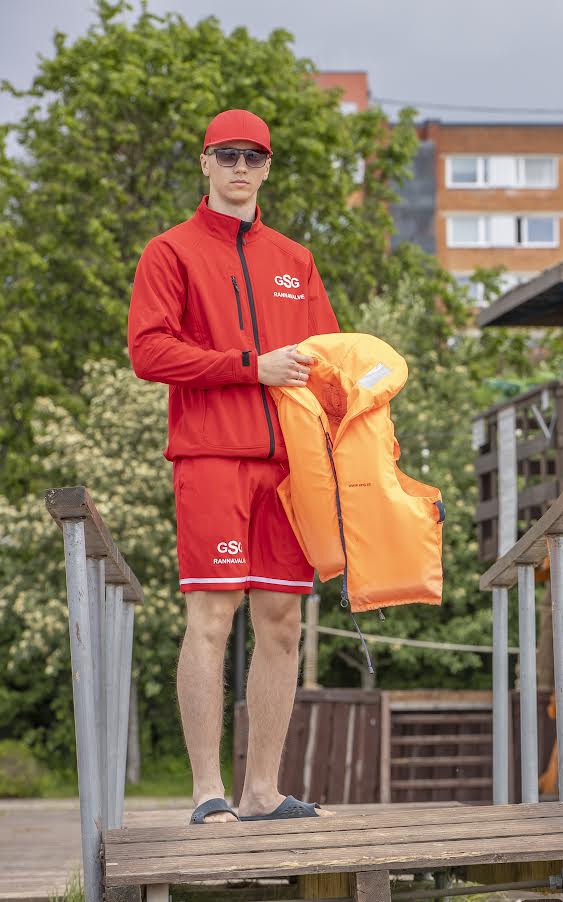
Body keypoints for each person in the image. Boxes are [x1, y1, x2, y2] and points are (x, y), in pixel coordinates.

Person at [127, 109, 339, 824]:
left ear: (269, 167)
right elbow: (148, 353)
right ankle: (207, 792)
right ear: (205, 163)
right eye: (227, 155)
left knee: (282, 623)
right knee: (212, 618)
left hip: (289, 469)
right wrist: (251, 367)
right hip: (212, 457)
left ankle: (262, 792)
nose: (241, 167)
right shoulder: (170, 252)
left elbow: (331, 365)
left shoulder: (295, 260)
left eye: (253, 156)